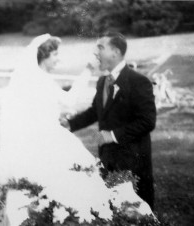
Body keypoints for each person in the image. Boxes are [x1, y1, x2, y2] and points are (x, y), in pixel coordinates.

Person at [0, 34, 153, 226]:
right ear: (44, 56)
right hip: (46, 141)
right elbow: (71, 101)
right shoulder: (40, 80)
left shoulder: (35, 79)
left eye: (100, 47)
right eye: (56, 54)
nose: (58, 59)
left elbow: (143, 119)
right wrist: (88, 71)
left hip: (46, 139)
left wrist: (70, 124)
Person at [61, 31, 157, 209]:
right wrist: (70, 124)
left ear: (116, 51)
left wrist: (112, 135)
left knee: (135, 210)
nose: (95, 53)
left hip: (133, 162)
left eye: (100, 47)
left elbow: (148, 121)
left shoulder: (139, 81)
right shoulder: (102, 81)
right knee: (112, 208)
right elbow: (95, 111)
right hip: (107, 158)